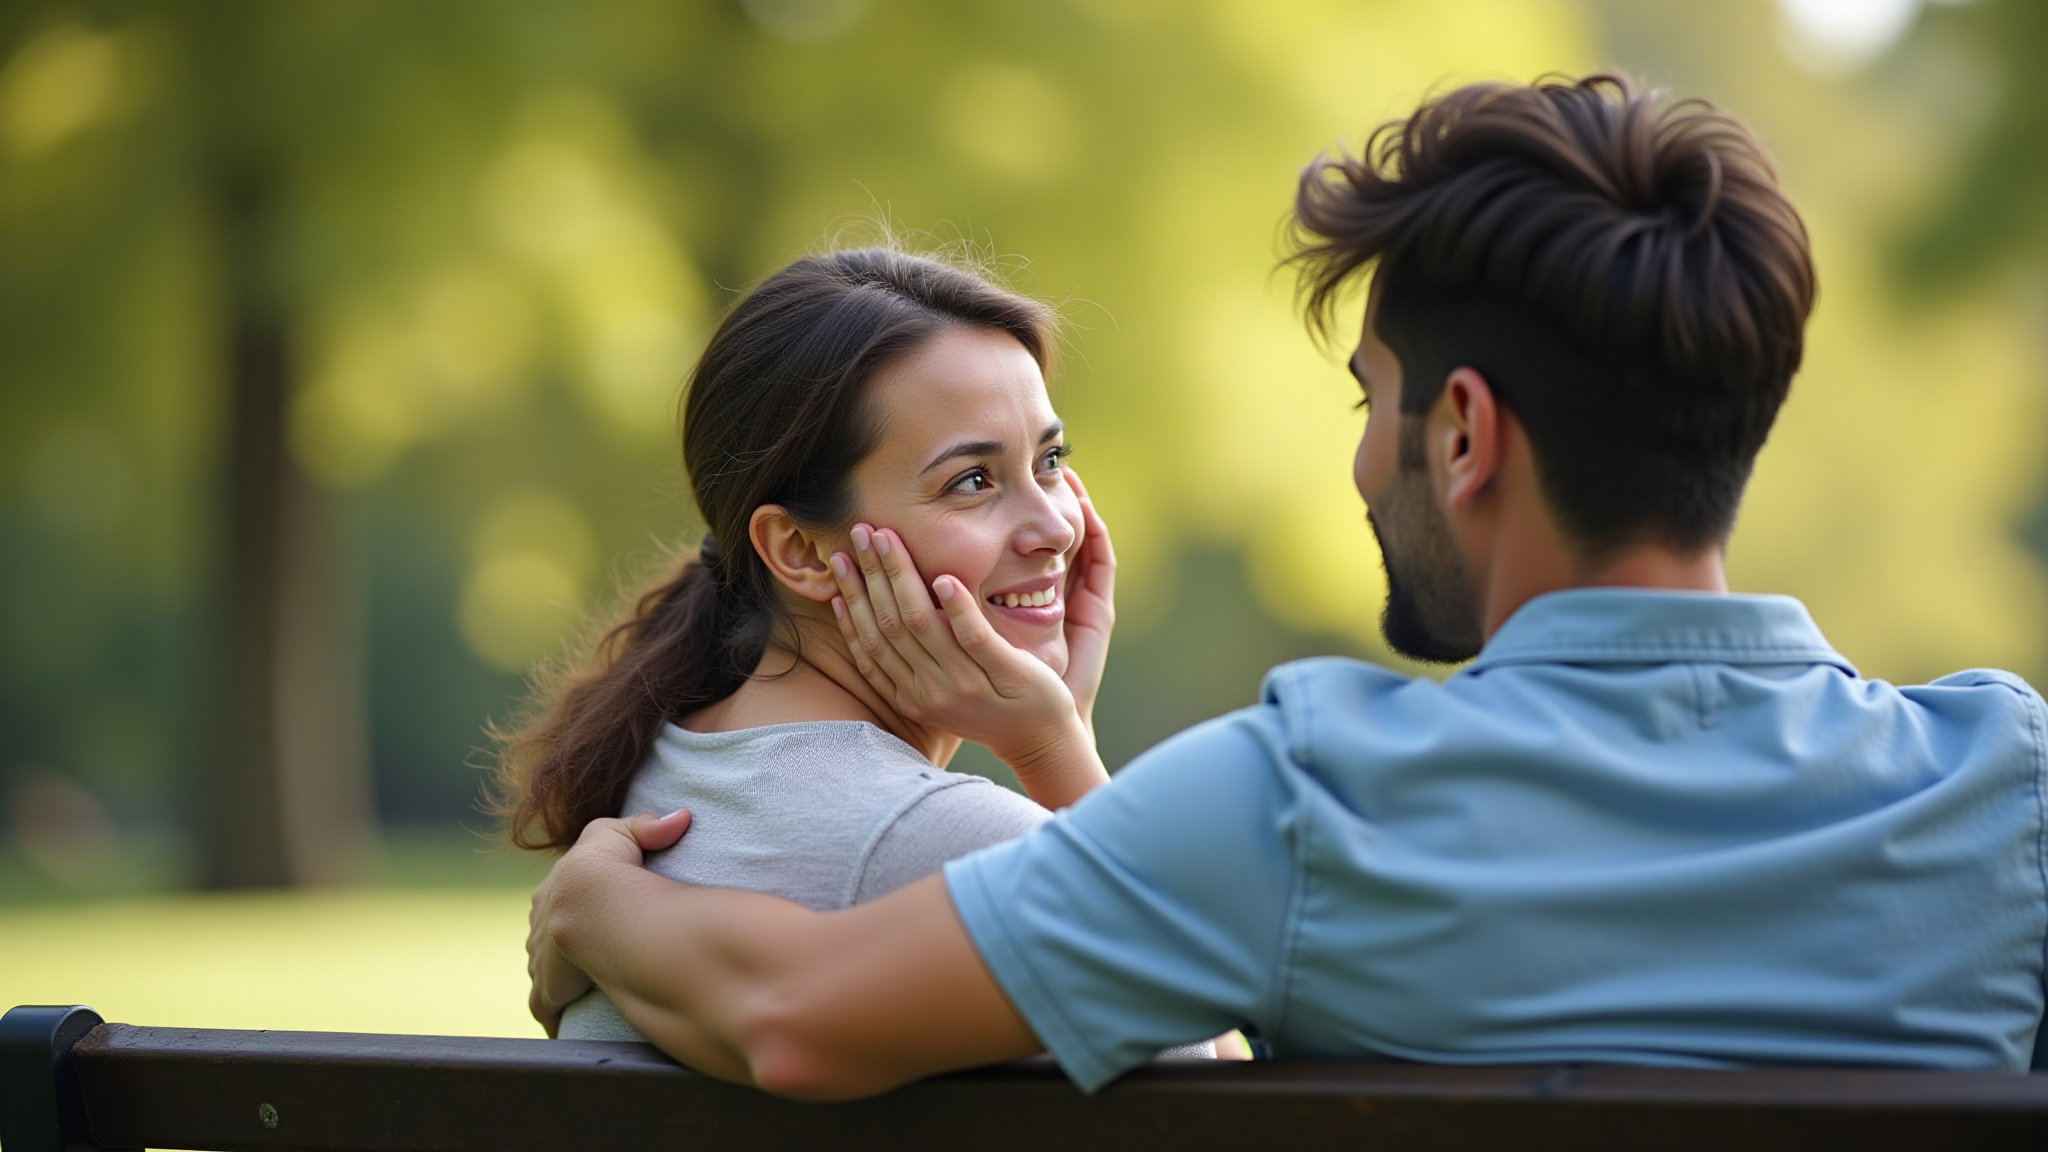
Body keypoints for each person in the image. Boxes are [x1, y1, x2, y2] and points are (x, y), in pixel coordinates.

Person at [525, 75, 2048, 1099]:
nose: (1364, 462)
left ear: (1462, 436)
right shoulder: (2011, 789)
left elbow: (791, 1018)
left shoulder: (1303, 810)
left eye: (1369, 399)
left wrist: (599, 902)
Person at [495, 247, 1217, 1057]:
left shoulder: (664, 772)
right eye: (973, 481)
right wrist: (1057, 752)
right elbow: (1215, 1075)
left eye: (1050, 462)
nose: (1055, 527)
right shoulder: (944, 840)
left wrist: (1064, 728)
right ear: (798, 550)